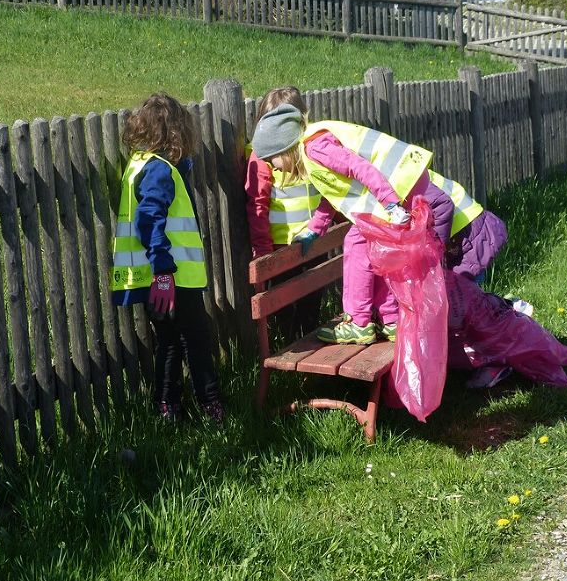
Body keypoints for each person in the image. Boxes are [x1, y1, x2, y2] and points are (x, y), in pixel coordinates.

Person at [251, 104, 454, 345]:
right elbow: (333, 193)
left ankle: (357, 322)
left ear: (284, 148)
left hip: (396, 190)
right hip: (398, 189)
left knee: (355, 243)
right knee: (379, 254)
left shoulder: (315, 148)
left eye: (272, 159)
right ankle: (390, 320)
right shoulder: (314, 152)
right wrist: (314, 230)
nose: (273, 167)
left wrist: (390, 202)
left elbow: (361, 168)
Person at [110, 93, 224, 424]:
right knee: (197, 341)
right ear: (176, 132)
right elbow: (149, 217)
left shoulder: (140, 165)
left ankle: (167, 408)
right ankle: (211, 405)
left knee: (170, 343)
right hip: (173, 279)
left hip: (157, 277)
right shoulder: (160, 171)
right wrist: (163, 272)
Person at [244, 88, 335, 337]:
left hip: (314, 241)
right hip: (281, 246)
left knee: (312, 297)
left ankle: (307, 343)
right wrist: (263, 251)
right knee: (283, 303)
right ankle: (288, 348)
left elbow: (328, 187)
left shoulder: (308, 147)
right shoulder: (262, 156)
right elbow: (258, 204)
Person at [427, 169, 508, 284]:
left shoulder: (401, 177)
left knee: (469, 289)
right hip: (466, 222)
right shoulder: (410, 166)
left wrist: (435, 247)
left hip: (464, 228)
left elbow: (443, 206)